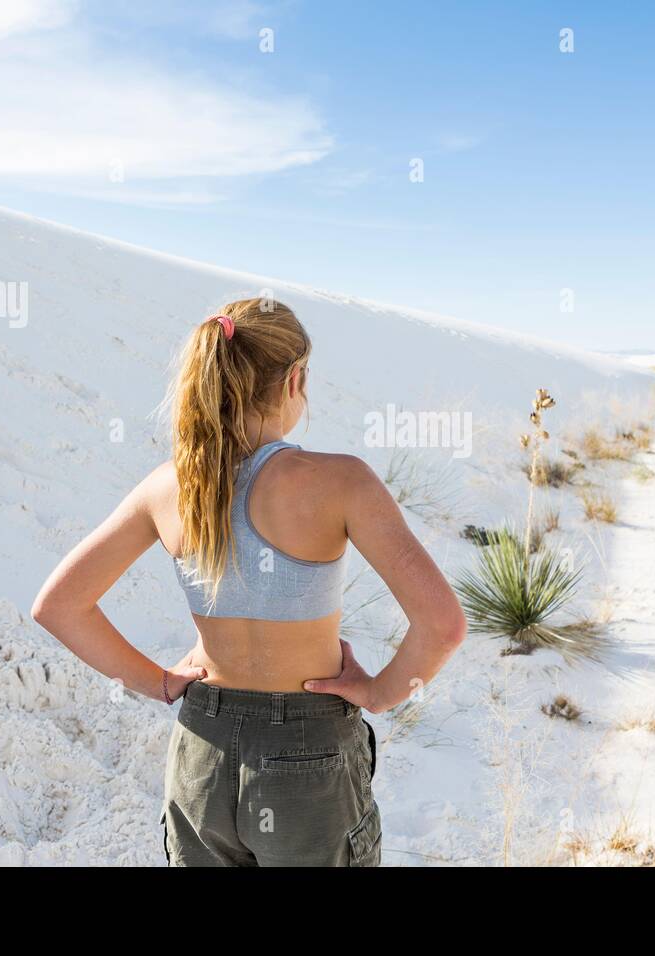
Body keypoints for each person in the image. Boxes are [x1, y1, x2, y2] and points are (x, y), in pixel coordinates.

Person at [31, 297, 466, 866]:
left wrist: (160, 683)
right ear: (295, 380)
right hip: (305, 757)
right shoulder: (339, 482)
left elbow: (59, 605)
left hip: (201, 751)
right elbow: (443, 625)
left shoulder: (169, 488)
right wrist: (381, 693)